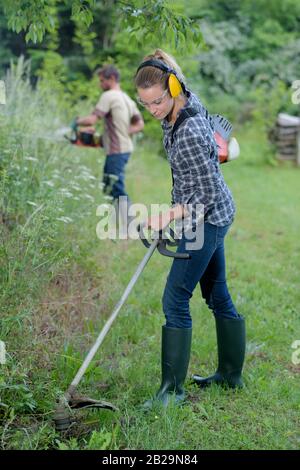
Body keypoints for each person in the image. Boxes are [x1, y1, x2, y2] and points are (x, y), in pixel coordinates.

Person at [134, 49, 246, 409]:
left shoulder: (190, 134)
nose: (152, 111)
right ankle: (230, 376)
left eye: (156, 102)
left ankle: (173, 391)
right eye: (144, 104)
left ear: (171, 88)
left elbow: (206, 195)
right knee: (217, 294)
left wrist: (165, 217)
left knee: (175, 297)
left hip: (209, 217)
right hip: (213, 213)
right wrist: (163, 63)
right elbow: (202, 179)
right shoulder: (181, 100)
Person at [76, 65, 144, 225]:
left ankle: (131, 224)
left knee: (115, 186)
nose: (100, 85)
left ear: (111, 79)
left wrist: (76, 121)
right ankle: (119, 220)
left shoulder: (109, 96)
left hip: (117, 150)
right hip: (124, 149)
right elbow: (140, 124)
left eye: (102, 81)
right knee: (108, 185)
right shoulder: (127, 98)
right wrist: (125, 131)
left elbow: (92, 120)